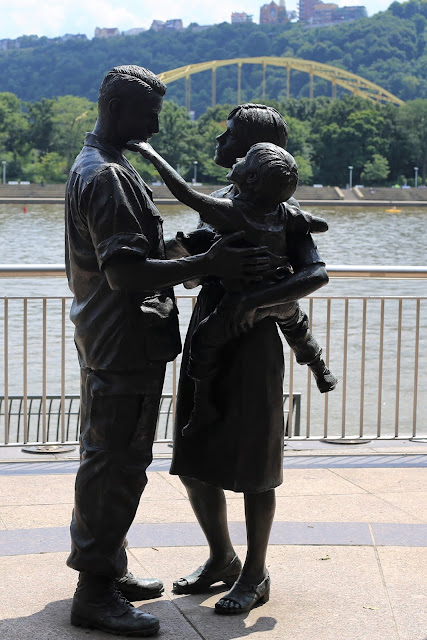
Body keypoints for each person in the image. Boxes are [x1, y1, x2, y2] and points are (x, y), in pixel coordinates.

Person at [65, 69, 271, 637]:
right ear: (115, 108)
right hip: (123, 342)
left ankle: (107, 563)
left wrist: (186, 250)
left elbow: (140, 253)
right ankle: (95, 591)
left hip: (111, 337)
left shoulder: (103, 165)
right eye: (149, 112)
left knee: (106, 456)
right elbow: (125, 272)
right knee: (117, 465)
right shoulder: (107, 176)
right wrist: (207, 265)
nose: (157, 123)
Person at [166, 103, 332, 615]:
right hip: (209, 332)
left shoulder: (283, 211)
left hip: (254, 342)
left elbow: (313, 273)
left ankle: (256, 573)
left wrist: (251, 300)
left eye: (231, 133)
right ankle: (222, 558)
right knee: (193, 455)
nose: (221, 139)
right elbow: (197, 267)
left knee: (257, 466)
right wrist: (188, 262)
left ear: (254, 152)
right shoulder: (221, 203)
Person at [129, 139, 337, 437]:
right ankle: (320, 368)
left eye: (245, 157)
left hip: (239, 297)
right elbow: (316, 224)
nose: (236, 156)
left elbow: (185, 193)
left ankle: (202, 408)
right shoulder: (282, 212)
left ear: (251, 178)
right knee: (297, 327)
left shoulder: (232, 212)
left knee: (203, 342)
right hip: (279, 291)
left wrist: (152, 155)